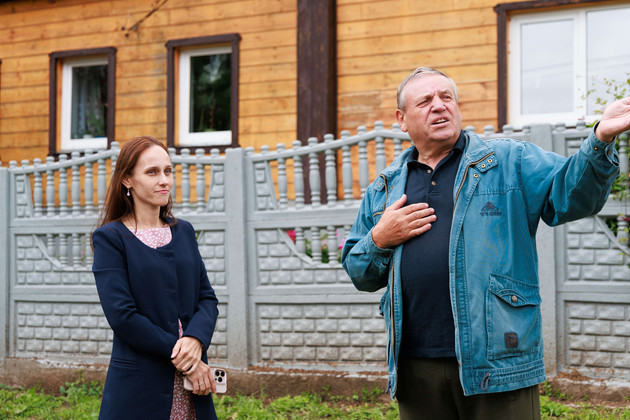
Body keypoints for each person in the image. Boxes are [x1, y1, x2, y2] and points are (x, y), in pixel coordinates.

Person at [342, 67, 629, 419]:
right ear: (402, 119)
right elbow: (359, 272)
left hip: (498, 361)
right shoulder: (385, 187)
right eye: (426, 100)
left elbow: (572, 196)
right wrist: (379, 238)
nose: (439, 106)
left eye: (446, 97)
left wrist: (599, 138)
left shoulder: (509, 160)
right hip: (416, 366)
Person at [92, 136, 220, 419]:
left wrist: (196, 339)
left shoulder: (184, 231)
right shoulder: (110, 238)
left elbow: (207, 299)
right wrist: (186, 358)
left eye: (167, 171)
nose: (164, 180)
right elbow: (123, 316)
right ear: (127, 180)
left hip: (192, 387)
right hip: (141, 387)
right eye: (152, 172)